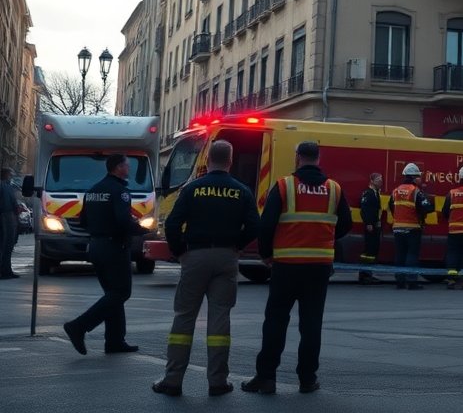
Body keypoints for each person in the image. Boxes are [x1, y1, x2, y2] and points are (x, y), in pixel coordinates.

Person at [242, 141, 351, 395]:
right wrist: (322, 237)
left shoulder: (284, 186)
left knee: (275, 321)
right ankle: (307, 379)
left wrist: (266, 255)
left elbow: (266, 225)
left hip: (286, 265)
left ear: (297, 157)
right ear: (318, 158)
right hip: (319, 266)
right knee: (311, 324)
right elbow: (345, 224)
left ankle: (266, 377)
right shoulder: (334, 189)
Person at [153, 140, 260, 397]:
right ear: (230, 161)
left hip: (195, 256)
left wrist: (180, 252)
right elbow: (256, 226)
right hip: (226, 258)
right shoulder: (241, 191)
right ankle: (218, 382)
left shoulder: (192, 189)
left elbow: (173, 224)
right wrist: (238, 245)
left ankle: (173, 380)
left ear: (208, 160)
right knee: (220, 319)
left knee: (184, 317)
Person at [62, 153, 149, 355]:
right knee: (121, 293)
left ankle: (115, 341)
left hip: (96, 246)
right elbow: (123, 221)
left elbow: (83, 221)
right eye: (127, 166)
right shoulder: (120, 191)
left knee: (112, 294)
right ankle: (78, 326)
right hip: (115, 247)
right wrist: (143, 230)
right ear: (118, 167)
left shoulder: (93, 190)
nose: (129, 169)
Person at [387, 163, 433, 291]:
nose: (420, 179)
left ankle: (399, 281)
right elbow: (427, 207)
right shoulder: (415, 191)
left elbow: (391, 206)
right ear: (413, 177)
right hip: (412, 228)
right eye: (418, 176)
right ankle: (412, 281)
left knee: (400, 255)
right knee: (412, 255)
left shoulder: (395, 191)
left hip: (397, 228)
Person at [358, 172, 384, 284]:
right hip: (371, 226)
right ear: (372, 181)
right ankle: (364, 274)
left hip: (375, 225)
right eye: (378, 179)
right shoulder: (368, 193)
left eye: (381, 179)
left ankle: (369, 273)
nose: (381, 181)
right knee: (369, 250)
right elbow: (364, 209)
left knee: (373, 249)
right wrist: (368, 223)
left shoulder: (376, 193)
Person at [1, 167, 20, 279]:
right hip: (4, 217)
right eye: (10, 175)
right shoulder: (4, 186)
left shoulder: (9, 187)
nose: (12, 177)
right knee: (4, 245)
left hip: (10, 217)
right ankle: (4, 271)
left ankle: (7, 270)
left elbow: (14, 203)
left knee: (8, 245)